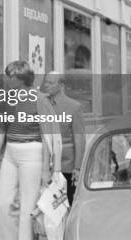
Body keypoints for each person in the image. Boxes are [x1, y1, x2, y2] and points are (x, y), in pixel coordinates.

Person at [0, 60, 61, 240]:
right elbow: (0, 128)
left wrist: (46, 169)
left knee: (28, 205)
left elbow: (48, 136)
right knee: (3, 202)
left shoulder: (40, 100)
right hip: (10, 153)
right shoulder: (5, 99)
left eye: (10, 76)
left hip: (32, 153)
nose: (6, 79)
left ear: (22, 79)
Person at [41, 71, 85, 205]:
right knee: (48, 206)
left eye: (50, 82)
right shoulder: (41, 104)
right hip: (45, 164)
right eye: (46, 81)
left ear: (61, 85)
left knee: (66, 204)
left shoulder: (74, 107)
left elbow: (79, 139)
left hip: (66, 166)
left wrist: (77, 167)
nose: (46, 85)